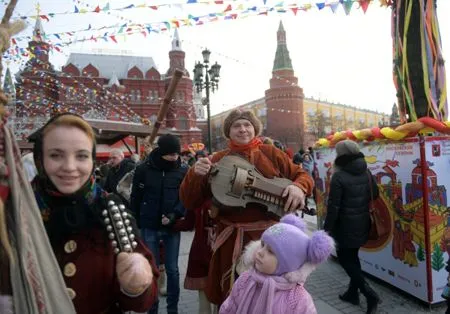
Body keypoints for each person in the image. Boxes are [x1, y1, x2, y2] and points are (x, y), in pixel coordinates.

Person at [179, 109, 314, 306]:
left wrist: (299, 187)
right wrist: (194, 175)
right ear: (228, 132)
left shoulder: (272, 153)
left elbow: (303, 175)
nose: (243, 129)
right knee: (231, 295)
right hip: (230, 239)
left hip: (270, 241)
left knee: (270, 296)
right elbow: (189, 201)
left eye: (247, 125)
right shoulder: (217, 160)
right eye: (236, 126)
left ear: (255, 129)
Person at [29, 113, 159, 314]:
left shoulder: (110, 208)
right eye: (56, 155)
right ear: (40, 158)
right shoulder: (16, 210)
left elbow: (142, 301)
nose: (70, 167)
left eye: (81, 155)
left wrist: (135, 286)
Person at [220, 214, 334, 314]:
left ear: (288, 263)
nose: (260, 252)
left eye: (270, 251)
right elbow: (229, 307)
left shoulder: (298, 300)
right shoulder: (246, 279)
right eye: (262, 244)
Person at [130, 133, 188, 314]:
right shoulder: (143, 169)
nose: (174, 157)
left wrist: (175, 214)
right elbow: (135, 197)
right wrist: (136, 222)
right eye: (170, 154)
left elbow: (185, 198)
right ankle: (152, 309)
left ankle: (173, 309)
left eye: (176, 154)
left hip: (171, 226)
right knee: (151, 269)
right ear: (161, 151)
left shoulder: (183, 170)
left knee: (172, 269)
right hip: (149, 225)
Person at [323, 140, 380, 314]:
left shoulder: (339, 176)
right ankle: (352, 294)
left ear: (341, 155)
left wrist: (326, 230)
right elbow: (375, 194)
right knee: (353, 258)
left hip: (344, 227)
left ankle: (369, 293)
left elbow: (334, 207)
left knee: (346, 260)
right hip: (363, 222)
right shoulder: (366, 171)